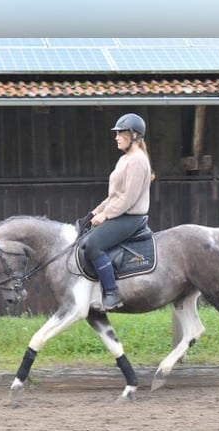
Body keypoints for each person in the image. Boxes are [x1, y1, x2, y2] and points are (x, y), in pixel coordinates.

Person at [83, 112, 153, 311]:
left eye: (120, 133)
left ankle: (112, 293)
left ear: (134, 136)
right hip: (119, 213)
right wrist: (94, 212)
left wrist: (106, 215)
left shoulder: (138, 160)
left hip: (130, 218)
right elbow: (114, 196)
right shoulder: (124, 160)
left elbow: (128, 198)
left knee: (93, 245)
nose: (116, 137)